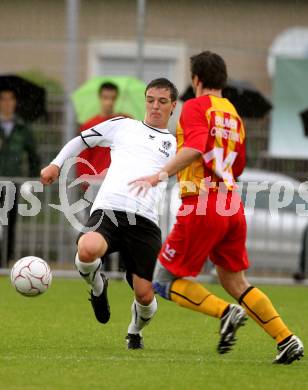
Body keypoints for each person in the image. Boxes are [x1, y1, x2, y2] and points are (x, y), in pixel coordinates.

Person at [130, 51, 304, 364]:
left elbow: (196, 147)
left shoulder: (196, 107)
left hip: (202, 204)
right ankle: (286, 339)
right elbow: (238, 166)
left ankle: (226, 312)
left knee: (162, 281)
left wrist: (161, 174)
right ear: (221, 79)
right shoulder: (234, 115)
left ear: (196, 79)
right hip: (231, 204)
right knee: (234, 281)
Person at [40, 78, 178, 350]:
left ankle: (134, 331)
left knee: (145, 295)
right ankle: (98, 287)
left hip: (145, 221)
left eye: (162, 102)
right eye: (150, 100)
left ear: (173, 106)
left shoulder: (177, 144)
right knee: (87, 249)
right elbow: (80, 140)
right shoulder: (122, 126)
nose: (155, 106)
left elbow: (192, 170)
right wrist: (56, 164)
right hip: (110, 210)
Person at [76, 82, 128, 272]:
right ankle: (101, 268)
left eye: (112, 98)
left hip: (120, 185)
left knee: (123, 225)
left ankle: (122, 269)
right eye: (105, 98)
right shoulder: (90, 125)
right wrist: (85, 182)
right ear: (100, 99)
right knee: (98, 226)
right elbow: (82, 157)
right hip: (96, 187)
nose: (109, 102)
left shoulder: (124, 123)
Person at [0, 89, 40, 264]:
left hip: (11, 182)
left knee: (9, 223)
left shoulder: (23, 128)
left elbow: (34, 158)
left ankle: (5, 260)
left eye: (11, 99)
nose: (7, 103)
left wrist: (30, 181)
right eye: (3, 99)